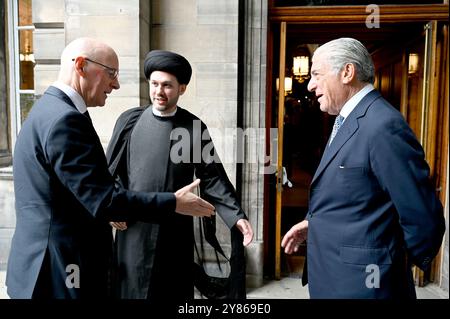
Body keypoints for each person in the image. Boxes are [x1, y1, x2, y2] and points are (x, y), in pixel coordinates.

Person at [6, 38, 215, 299]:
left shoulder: (47, 109)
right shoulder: (65, 120)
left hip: (40, 264)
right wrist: (173, 202)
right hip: (62, 269)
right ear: (81, 66)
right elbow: (105, 201)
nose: (115, 84)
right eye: (111, 73)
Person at [281, 37, 445, 299]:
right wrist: (316, 224)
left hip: (365, 286)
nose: (310, 85)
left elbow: (423, 217)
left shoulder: (382, 126)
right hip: (336, 279)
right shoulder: (349, 119)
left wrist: (391, 266)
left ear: (347, 72)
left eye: (316, 75)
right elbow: (359, 197)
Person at [106, 50, 254, 300]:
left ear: (182, 89)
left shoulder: (194, 128)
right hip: (133, 231)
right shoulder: (129, 122)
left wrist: (236, 216)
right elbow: (110, 172)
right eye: (154, 84)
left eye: (167, 86)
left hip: (173, 234)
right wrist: (112, 209)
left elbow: (213, 177)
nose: (159, 92)